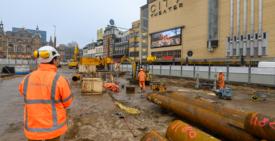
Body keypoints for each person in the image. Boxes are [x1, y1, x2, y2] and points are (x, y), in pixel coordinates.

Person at [18, 46, 73, 141]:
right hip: (53, 130)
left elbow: (23, 92)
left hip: (32, 130)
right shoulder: (59, 80)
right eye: (57, 59)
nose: (58, 61)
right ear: (54, 60)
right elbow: (67, 103)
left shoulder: (27, 78)